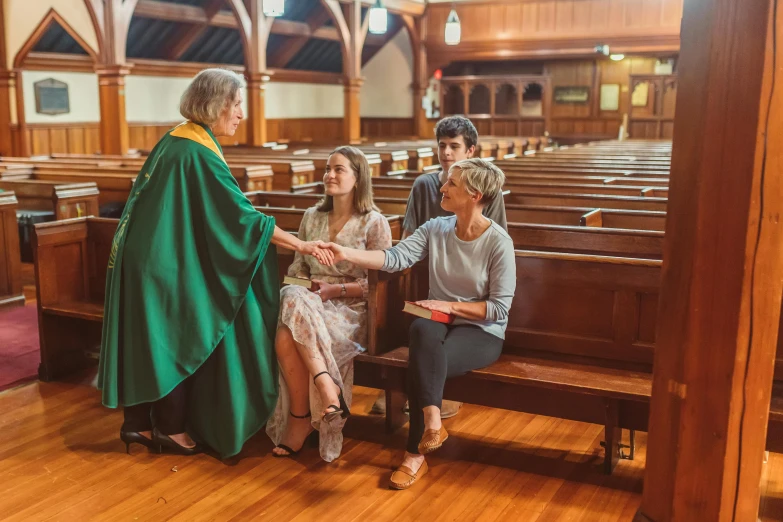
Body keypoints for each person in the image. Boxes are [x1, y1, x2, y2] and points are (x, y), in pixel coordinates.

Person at [97, 68, 333, 458]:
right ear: (216, 104)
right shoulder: (197, 150)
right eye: (237, 104)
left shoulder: (176, 138)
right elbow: (243, 218)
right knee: (178, 336)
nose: (241, 114)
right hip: (162, 264)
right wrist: (301, 244)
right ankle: (171, 430)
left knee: (149, 340)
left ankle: (136, 425)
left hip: (144, 256)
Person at [325, 158, 516, 489]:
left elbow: (499, 308)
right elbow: (394, 258)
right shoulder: (436, 228)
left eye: (451, 184)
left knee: (423, 358)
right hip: (437, 321)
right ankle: (432, 422)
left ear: (474, 194)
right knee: (421, 329)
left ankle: (414, 455)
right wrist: (346, 253)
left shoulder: (498, 242)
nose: (442, 187)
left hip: (481, 331)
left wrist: (450, 305)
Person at [371, 115, 507, 419]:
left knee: (434, 343)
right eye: (441, 145)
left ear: (470, 151)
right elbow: (407, 242)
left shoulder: (483, 191)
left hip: (470, 288)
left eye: (454, 146)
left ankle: (425, 394)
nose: (446, 153)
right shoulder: (424, 185)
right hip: (427, 274)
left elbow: (490, 240)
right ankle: (425, 405)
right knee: (419, 323)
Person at [266, 146, 393, 462]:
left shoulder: (374, 222)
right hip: (309, 303)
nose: (329, 175)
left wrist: (335, 291)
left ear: (358, 176)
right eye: (327, 169)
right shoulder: (312, 216)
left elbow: (382, 286)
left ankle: (300, 420)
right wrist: (309, 288)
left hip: (352, 311)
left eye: (339, 169)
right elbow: (297, 271)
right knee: (291, 296)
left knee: (286, 333)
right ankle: (325, 390)